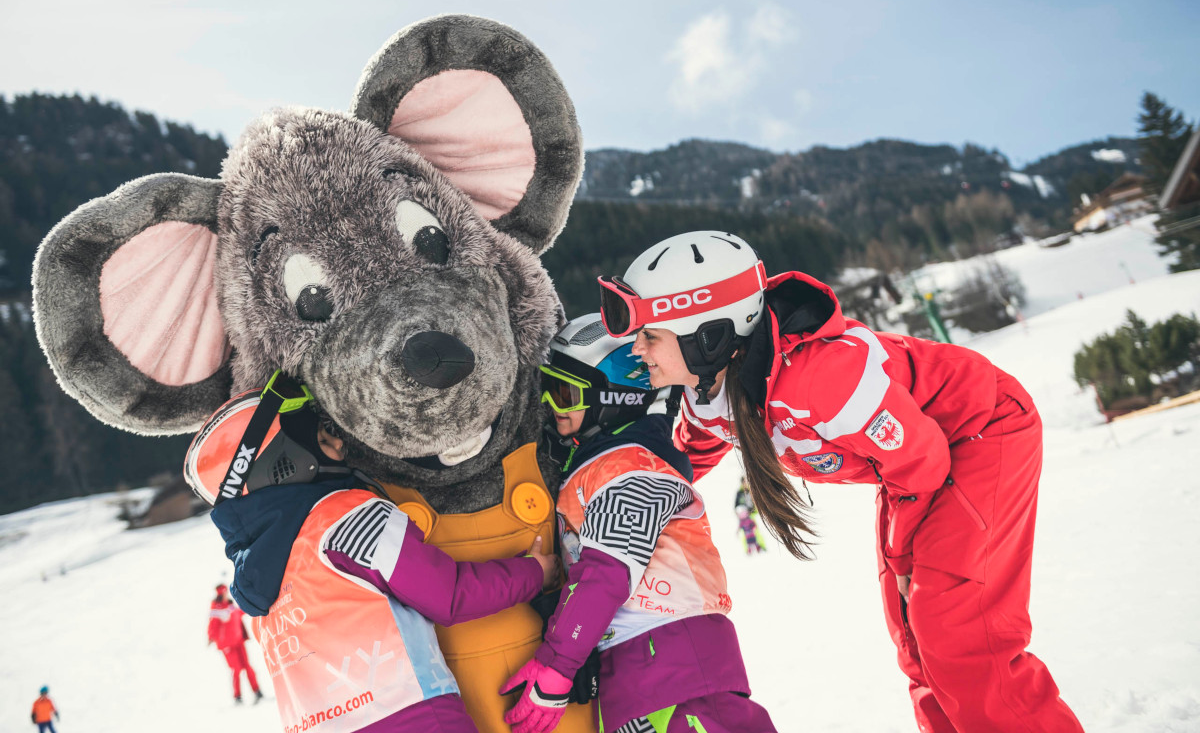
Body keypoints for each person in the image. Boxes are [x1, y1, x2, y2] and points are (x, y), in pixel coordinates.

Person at [597, 230, 1084, 733]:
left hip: (978, 432)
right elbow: (681, 464)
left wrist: (901, 559)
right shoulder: (707, 394)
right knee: (916, 639)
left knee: (957, 633)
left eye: (650, 334)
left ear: (709, 335)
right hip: (911, 472)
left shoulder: (824, 380)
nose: (638, 349)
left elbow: (922, 463)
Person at [185, 371, 559, 733]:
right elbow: (450, 595)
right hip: (414, 718)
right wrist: (534, 573)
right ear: (284, 464)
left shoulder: (256, 580)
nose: (339, 443)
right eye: (320, 436)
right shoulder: (345, 518)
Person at [501, 314, 776, 733]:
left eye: (563, 392)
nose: (550, 405)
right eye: (546, 390)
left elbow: (607, 571)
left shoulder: (633, 469)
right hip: (637, 675)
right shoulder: (597, 467)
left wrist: (557, 665)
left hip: (674, 669)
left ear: (619, 397)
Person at [207, 582, 263, 704]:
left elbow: (243, 611)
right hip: (227, 645)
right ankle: (237, 696)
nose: (226, 594)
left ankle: (257, 691)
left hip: (238, 642)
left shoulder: (231, 606)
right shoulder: (216, 609)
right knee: (236, 669)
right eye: (223, 592)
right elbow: (212, 625)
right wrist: (211, 637)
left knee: (247, 666)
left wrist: (254, 603)